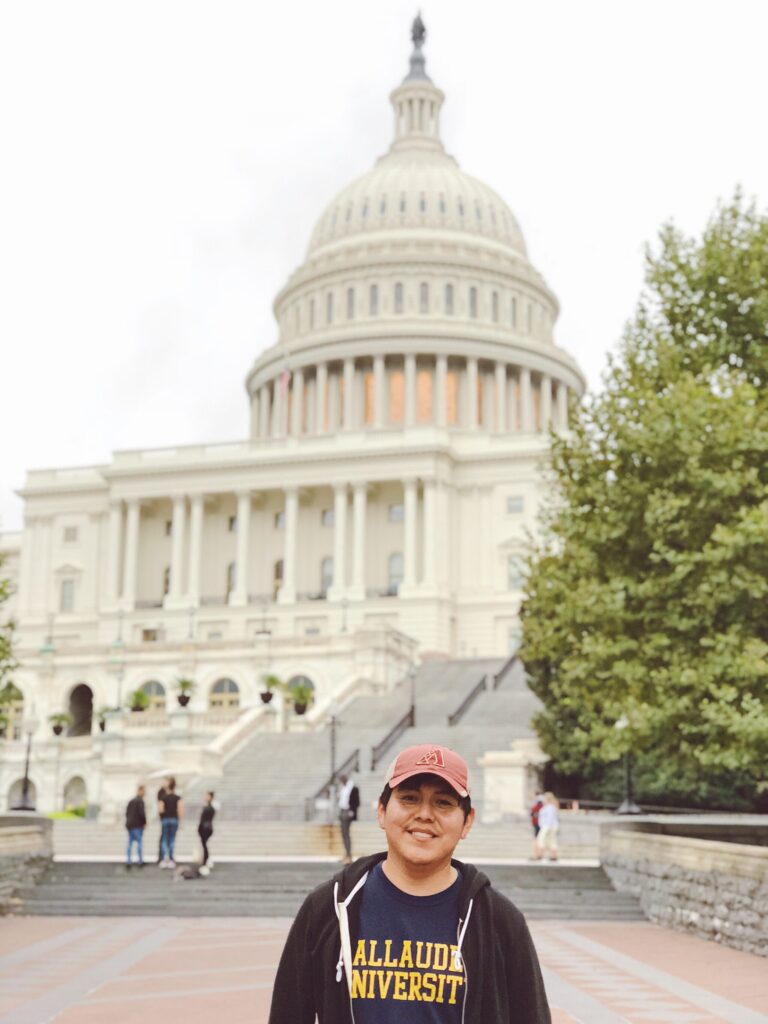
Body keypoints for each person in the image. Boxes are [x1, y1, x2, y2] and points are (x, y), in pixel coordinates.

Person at [269, 743, 551, 1023]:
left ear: (467, 822)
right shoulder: (329, 908)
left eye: (443, 802)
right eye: (409, 798)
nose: (425, 814)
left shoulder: (498, 920)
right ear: (381, 811)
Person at [158, 776, 183, 868]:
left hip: (165, 819)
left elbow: (160, 809)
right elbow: (180, 810)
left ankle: (165, 859)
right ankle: (171, 859)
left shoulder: (163, 797)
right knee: (172, 840)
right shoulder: (177, 797)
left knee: (165, 840)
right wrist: (181, 821)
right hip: (174, 819)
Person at [337, 773, 360, 865]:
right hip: (342, 811)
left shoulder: (353, 788)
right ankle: (346, 854)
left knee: (346, 834)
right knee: (343, 834)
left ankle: (349, 856)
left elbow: (356, 801)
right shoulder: (343, 788)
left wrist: (352, 812)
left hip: (348, 811)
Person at [125, 784, 146, 869]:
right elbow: (142, 813)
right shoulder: (140, 801)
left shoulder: (131, 801)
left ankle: (128, 860)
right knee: (139, 843)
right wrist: (144, 822)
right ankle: (140, 861)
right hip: (137, 825)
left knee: (130, 844)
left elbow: (127, 813)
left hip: (130, 825)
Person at [536, 792, 559, 862]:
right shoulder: (548, 807)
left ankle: (540, 855)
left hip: (547, 826)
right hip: (548, 826)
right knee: (551, 841)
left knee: (541, 839)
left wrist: (546, 827)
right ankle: (553, 856)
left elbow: (549, 818)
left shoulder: (550, 807)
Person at [198, 790, 216, 869]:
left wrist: (200, 828)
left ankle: (206, 859)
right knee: (204, 844)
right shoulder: (210, 807)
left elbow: (204, 819)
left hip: (205, 828)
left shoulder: (209, 808)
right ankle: (206, 859)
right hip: (207, 827)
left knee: (204, 844)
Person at [156, 776, 170, 864]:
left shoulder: (167, 792)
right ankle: (162, 856)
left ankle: (166, 856)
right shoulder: (161, 792)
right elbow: (160, 806)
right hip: (165, 818)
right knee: (164, 838)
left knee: (167, 838)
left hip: (167, 817)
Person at [530, 792, 544, 860]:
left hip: (538, 824)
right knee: (538, 840)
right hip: (538, 824)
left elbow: (533, 813)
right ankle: (538, 854)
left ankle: (537, 855)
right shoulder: (540, 804)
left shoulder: (539, 805)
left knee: (537, 840)